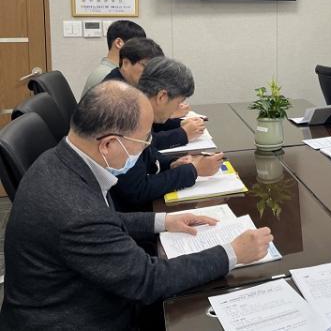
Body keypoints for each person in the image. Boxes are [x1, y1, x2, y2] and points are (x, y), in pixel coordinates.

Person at [0, 81, 273, 329]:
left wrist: (163, 221)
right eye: (144, 140)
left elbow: (106, 219)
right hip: (73, 318)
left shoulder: (60, 160)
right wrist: (233, 253)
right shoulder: (75, 211)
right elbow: (147, 281)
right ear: (108, 144)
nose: (146, 149)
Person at [111, 57, 221, 211]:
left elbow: (148, 154)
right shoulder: (127, 120)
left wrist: (171, 164)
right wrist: (193, 171)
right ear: (162, 97)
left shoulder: (136, 109)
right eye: (177, 102)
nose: (177, 109)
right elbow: (137, 191)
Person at [101, 40, 205, 149]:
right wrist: (182, 134)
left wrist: (178, 124)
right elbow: (142, 143)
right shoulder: (115, 96)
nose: (151, 73)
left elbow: (149, 128)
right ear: (126, 63)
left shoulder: (131, 88)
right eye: (146, 66)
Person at [81, 19, 146, 96]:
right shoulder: (107, 76)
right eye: (138, 45)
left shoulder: (111, 71)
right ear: (119, 43)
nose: (141, 50)